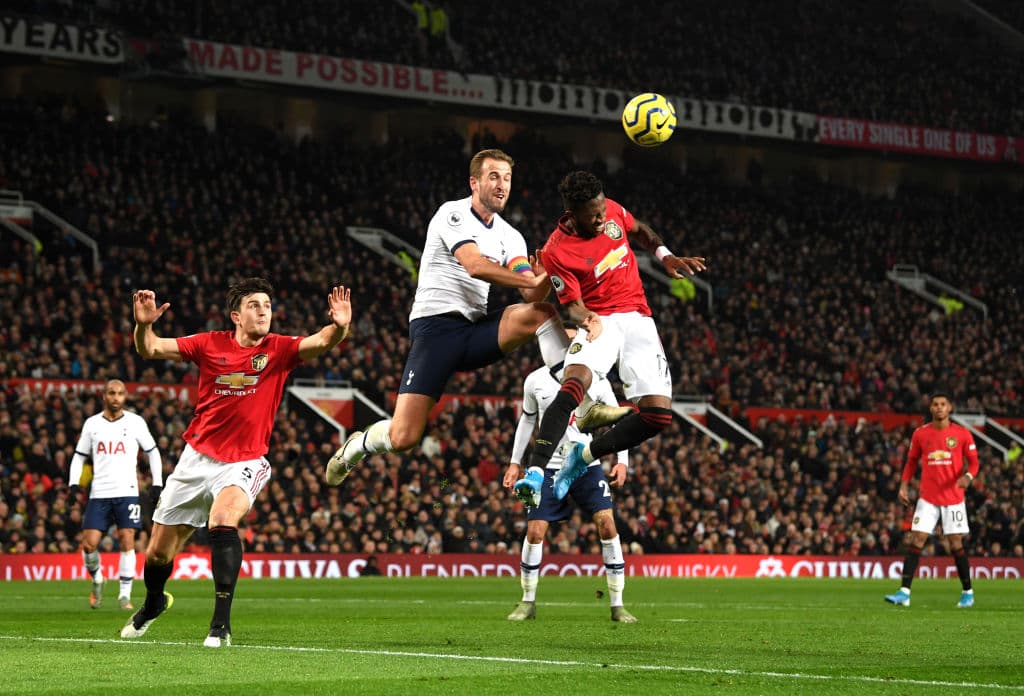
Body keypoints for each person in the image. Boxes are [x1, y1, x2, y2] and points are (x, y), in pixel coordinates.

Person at [326, 150, 627, 486]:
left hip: (474, 331)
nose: (502, 184)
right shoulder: (452, 214)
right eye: (494, 176)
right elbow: (474, 264)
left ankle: (581, 405)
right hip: (435, 331)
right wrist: (531, 279)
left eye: (507, 178)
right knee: (404, 437)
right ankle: (358, 445)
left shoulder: (511, 235)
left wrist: (547, 271)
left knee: (542, 312)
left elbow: (530, 293)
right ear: (474, 182)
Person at [121, 278, 352, 647]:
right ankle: (152, 603)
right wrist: (144, 324)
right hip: (196, 458)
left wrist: (339, 327)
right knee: (158, 552)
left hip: (245, 460)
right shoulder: (209, 343)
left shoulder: (279, 349)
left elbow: (321, 341)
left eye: (267, 305)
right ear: (236, 316)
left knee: (223, 520)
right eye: (254, 305)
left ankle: (220, 625)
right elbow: (148, 349)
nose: (263, 311)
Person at [514, 170, 705, 501]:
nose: (603, 217)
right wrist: (587, 318)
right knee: (572, 386)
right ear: (573, 215)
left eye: (603, 209)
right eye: (594, 214)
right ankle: (536, 471)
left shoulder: (612, 210)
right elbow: (571, 305)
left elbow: (640, 230)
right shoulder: (557, 250)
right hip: (599, 319)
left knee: (658, 416)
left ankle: (583, 456)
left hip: (637, 318)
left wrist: (666, 255)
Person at [503, 326, 637, 623]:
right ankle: (527, 602)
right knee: (536, 530)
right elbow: (526, 422)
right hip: (548, 467)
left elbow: (618, 423)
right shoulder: (535, 381)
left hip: (585, 465)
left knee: (607, 524)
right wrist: (515, 462)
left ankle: (617, 604)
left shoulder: (597, 380)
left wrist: (622, 460)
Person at [68, 379, 163, 611]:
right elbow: (79, 455)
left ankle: (124, 595)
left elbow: (153, 451)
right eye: (112, 393)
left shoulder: (135, 422)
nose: (116, 397)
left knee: (127, 539)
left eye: (120, 393)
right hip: (99, 492)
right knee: (89, 545)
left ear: (125, 396)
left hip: (127, 491)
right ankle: (98, 578)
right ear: (104, 396)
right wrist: (73, 484)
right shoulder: (92, 424)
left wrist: (157, 483)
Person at [885, 390, 979, 608]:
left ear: (950, 408)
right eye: (935, 404)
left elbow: (974, 462)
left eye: (943, 404)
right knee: (916, 539)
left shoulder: (962, 434)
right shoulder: (920, 434)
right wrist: (903, 485)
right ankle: (904, 592)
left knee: (955, 543)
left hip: (954, 498)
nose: (939, 407)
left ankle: (967, 592)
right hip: (927, 498)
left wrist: (968, 476)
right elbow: (911, 462)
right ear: (931, 408)